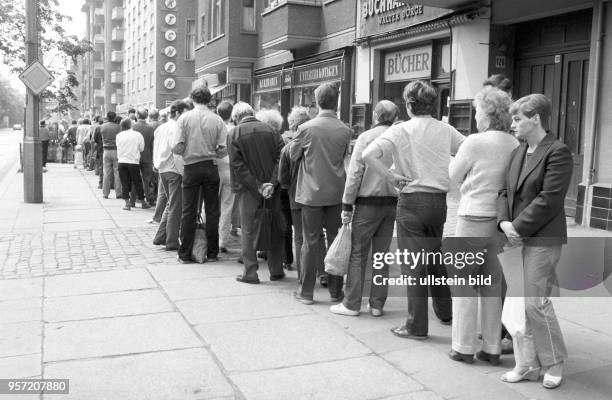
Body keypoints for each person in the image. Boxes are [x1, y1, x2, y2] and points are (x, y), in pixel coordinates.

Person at [363, 80, 465, 339]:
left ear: (408, 104)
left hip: (411, 201)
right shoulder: (446, 130)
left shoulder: (401, 130)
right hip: (438, 202)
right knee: (434, 257)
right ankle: (446, 311)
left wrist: (390, 176)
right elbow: (466, 152)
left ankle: (416, 325)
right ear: (433, 103)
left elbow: (368, 155)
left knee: (414, 265)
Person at [497, 94, 572, 389]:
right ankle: (527, 364)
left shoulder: (557, 151)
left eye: (517, 119)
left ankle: (554, 362)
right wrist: (504, 222)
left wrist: (515, 227)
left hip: (542, 238)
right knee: (518, 304)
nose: (512, 124)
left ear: (535, 119)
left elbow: (549, 200)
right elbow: (504, 191)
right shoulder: (518, 151)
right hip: (515, 236)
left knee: (534, 303)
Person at [447, 86, 519, 364]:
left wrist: (466, 187)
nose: (475, 117)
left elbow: (451, 178)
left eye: (477, 111)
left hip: (472, 218)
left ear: (488, 114)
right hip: (500, 222)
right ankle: (492, 348)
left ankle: (463, 347)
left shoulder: (475, 142)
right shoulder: (514, 144)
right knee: (492, 284)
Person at [330, 100, 400, 317]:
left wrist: (346, 204)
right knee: (381, 255)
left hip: (367, 203)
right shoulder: (401, 137)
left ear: (376, 116)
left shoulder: (366, 137)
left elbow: (355, 173)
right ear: (394, 116)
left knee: (358, 253)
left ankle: (352, 303)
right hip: (392, 203)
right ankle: (377, 304)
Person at [290, 83, 352, 305]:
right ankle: (336, 292)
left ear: (317, 102)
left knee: (310, 242)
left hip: (310, 194)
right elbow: (344, 158)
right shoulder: (346, 130)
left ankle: (306, 292)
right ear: (336, 102)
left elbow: (294, 155)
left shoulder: (306, 128)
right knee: (336, 241)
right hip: (336, 192)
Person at [231, 102, 286, 284]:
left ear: (237, 117)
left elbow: (238, 167)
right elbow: (281, 159)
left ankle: (251, 272)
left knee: (248, 230)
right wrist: (271, 183)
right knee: (274, 227)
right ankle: (276, 269)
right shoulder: (272, 131)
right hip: (272, 189)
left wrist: (258, 186)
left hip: (248, 191)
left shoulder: (234, 133)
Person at [173, 86, 227, 263]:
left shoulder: (184, 118)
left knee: (188, 210)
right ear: (209, 99)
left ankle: (185, 254)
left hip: (191, 166)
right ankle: (212, 252)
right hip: (211, 166)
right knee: (212, 211)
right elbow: (222, 149)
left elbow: (177, 146)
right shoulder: (217, 120)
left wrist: (188, 149)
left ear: (192, 99)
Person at [257, 108, 293, 269]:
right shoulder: (280, 138)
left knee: (274, 221)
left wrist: (270, 183)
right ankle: (281, 258)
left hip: (272, 185)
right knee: (278, 222)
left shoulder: (271, 140)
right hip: (280, 185)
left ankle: (277, 256)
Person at [279, 106, 312, 279]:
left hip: (291, 193)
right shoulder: (313, 141)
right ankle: (318, 271)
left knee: (294, 233)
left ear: (291, 123)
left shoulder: (284, 142)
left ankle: (297, 269)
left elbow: (282, 177)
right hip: (311, 193)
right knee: (313, 235)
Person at [153, 101, 188, 250]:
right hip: (174, 170)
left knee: (170, 203)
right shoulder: (177, 127)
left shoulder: (161, 128)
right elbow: (177, 151)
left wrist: (156, 165)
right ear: (179, 113)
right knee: (175, 206)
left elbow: (155, 148)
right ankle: (172, 241)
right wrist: (183, 172)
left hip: (162, 169)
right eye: (185, 112)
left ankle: (161, 236)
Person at [217, 101, 236, 253]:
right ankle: (222, 240)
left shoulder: (215, 126)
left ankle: (208, 234)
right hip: (230, 170)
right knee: (227, 207)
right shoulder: (234, 129)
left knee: (209, 204)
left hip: (215, 168)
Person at [116, 118, 146, 210]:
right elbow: (141, 149)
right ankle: (143, 202)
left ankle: (127, 203)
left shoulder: (119, 135)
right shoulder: (137, 135)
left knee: (124, 183)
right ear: (130, 125)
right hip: (133, 161)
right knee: (137, 182)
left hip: (122, 161)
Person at [130, 108, 154, 207]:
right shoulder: (150, 128)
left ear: (137, 116)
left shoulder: (133, 127)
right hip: (147, 156)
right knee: (146, 179)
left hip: (135, 156)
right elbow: (152, 144)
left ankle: (132, 201)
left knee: (135, 180)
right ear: (147, 116)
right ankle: (148, 199)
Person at [149, 108, 169, 225]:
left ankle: (157, 216)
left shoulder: (152, 127)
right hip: (166, 162)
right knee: (163, 191)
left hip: (157, 159)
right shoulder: (163, 127)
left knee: (160, 190)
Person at [100, 112, 123, 199]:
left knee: (106, 172)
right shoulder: (118, 127)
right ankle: (118, 193)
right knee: (117, 172)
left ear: (107, 117)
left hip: (106, 150)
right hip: (116, 150)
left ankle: (105, 193)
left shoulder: (102, 126)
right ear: (115, 117)